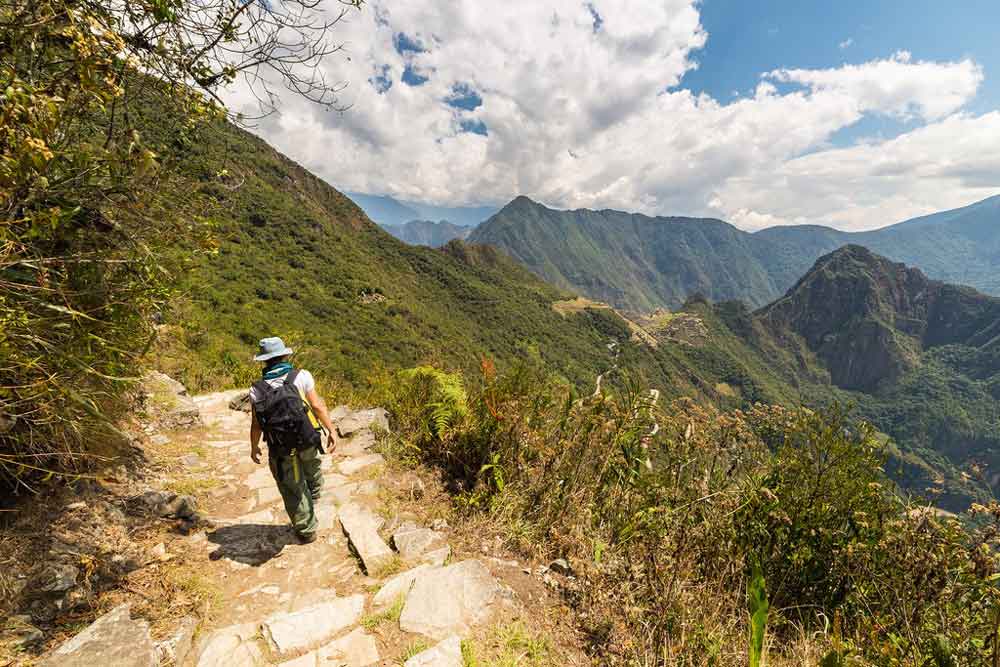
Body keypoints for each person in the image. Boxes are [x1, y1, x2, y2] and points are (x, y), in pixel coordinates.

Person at [249, 337, 337, 543]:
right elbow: (317, 406)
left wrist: (254, 447)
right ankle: (315, 496)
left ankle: (306, 530)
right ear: (285, 355)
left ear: (264, 361)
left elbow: (256, 424)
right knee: (312, 465)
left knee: (292, 486)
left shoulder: (256, 389)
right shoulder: (301, 376)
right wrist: (331, 430)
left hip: (280, 445)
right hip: (306, 437)